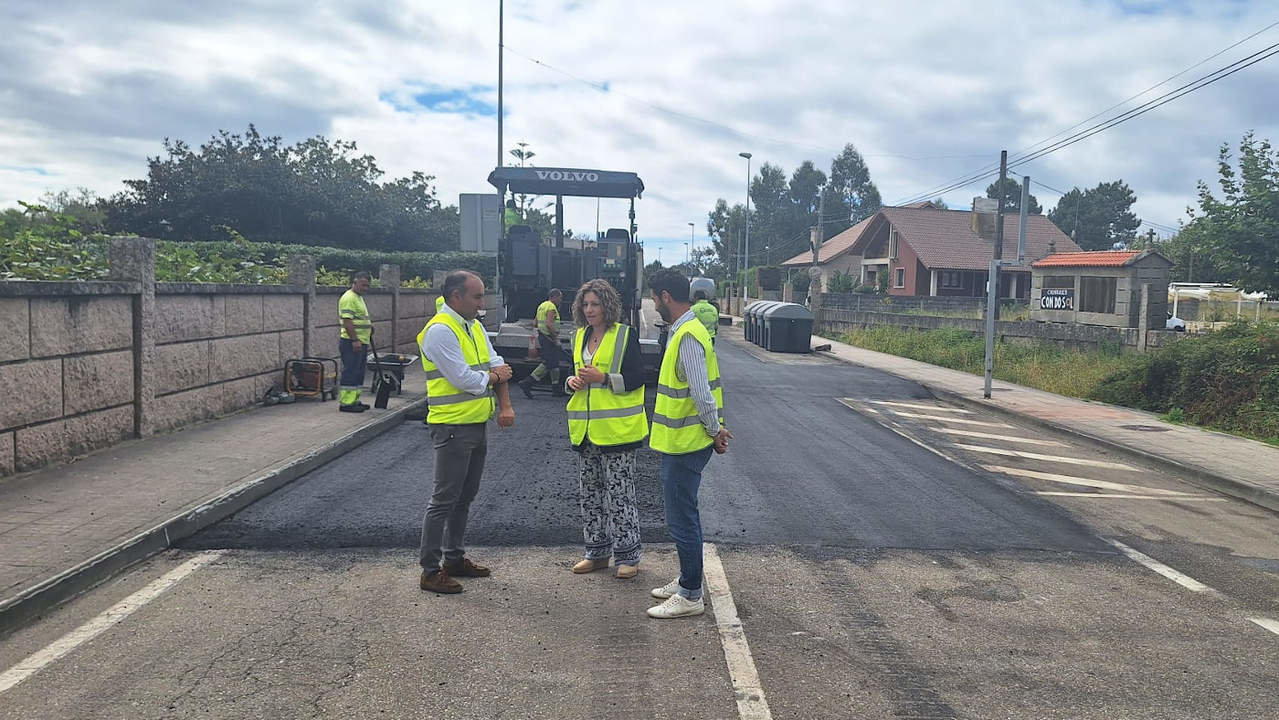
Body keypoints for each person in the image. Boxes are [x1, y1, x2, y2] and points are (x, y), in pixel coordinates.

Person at [416, 271, 516, 594]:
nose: (482, 303)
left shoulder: (471, 326)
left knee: (464, 497)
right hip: (452, 427)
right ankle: (430, 571)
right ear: (455, 297)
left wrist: (497, 383)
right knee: (444, 500)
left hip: (474, 423)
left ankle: (454, 559)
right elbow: (465, 379)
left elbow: (496, 361)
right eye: (477, 296)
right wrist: (495, 376)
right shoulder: (440, 331)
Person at [645, 269, 731, 619]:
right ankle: (687, 577)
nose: (652, 305)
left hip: (688, 442)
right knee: (680, 514)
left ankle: (691, 593)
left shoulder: (689, 335)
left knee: (682, 517)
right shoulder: (684, 331)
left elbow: (701, 392)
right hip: (682, 440)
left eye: (654, 298)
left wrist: (715, 431)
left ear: (666, 296)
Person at [564, 279, 648, 579]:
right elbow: (574, 374)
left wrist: (603, 378)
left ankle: (628, 556)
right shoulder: (579, 337)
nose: (589, 310)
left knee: (620, 494)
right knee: (590, 494)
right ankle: (596, 553)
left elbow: (639, 377)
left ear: (607, 305)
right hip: (585, 431)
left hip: (618, 431)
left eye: (595, 304)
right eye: (585, 304)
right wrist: (570, 382)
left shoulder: (625, 335)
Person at [518, 288, 566, 398]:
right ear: (554, 296)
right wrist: (555, 338)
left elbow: (535, 322)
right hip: (549, 338)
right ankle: (527, 382)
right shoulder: (551, 307)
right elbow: (549, 324)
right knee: (549, 362)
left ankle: (556, 388)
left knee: (554, 363)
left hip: (543, 338)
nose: (561, 300)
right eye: (560, 298)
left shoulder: (542, 306)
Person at [338, 271, 373, 413]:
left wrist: (369, 326)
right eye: (363, 285)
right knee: (351, 371)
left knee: (358, 372)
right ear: (355, 282)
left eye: (367, 286)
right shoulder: (349, 298)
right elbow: (348, 321)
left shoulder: (358, 297)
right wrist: (355, 340)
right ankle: (346, 403)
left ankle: (355, 400)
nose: (365, 288)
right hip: (351, 342)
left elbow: (359, 318)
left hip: (361, 341)